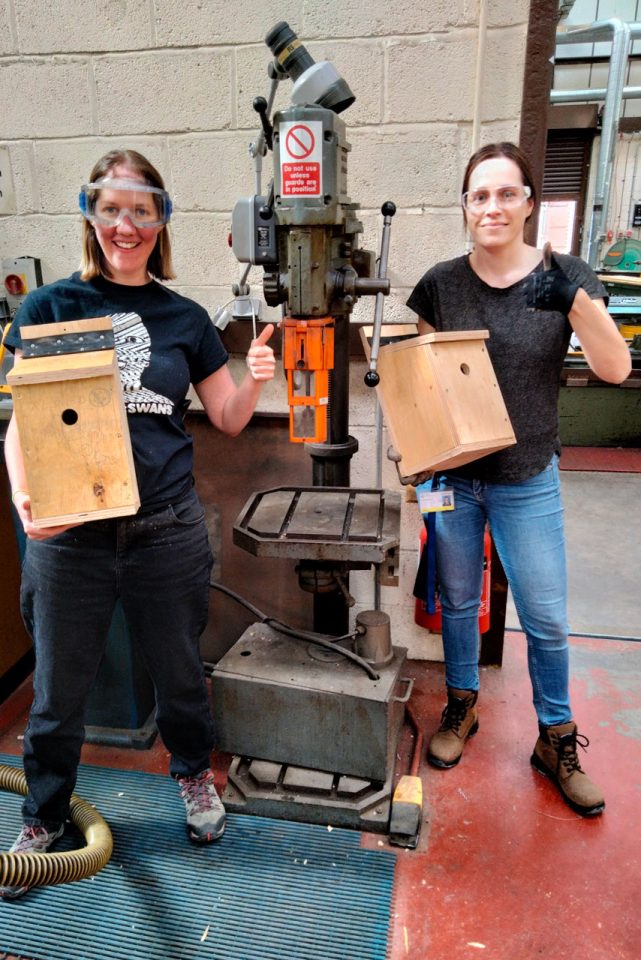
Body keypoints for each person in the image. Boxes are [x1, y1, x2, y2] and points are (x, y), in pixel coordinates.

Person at [1, 149, 276, 898]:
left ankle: (192, 777)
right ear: (91, 215)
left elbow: (224, 416)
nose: (126, 225)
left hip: (165, 530)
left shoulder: (184, 319)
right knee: (59, 691)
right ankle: (45, 814)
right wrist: (29, 504)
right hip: (72, 541)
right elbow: (20, 427)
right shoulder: (46, 309)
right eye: (112, 208)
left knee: (182, 676)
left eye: (142, 211)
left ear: (161, 222)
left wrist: (255, 370)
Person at [406, 142, 631, 817]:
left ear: (529, 202)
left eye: (506, 194)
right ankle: (461, 706)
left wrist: (576, 303)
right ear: (465, 206)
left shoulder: (566, 275)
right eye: (479, 195)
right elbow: (426, 385)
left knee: (545, 617)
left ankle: (555, 739)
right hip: (455, 478)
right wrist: (420, 465)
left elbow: (615, 369)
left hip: (527, 475)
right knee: (454, 598)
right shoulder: (440, 285)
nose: (492, 207)